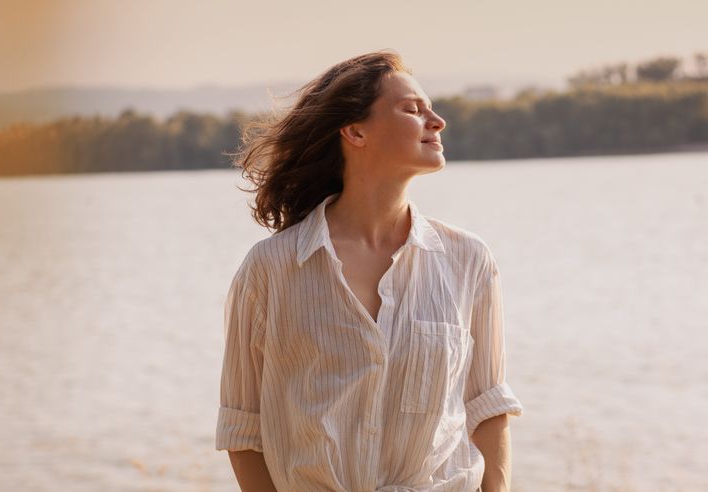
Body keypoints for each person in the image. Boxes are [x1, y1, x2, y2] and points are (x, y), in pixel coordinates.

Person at [215, 50, 524, 492]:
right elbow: (243, 428)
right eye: (413, 109)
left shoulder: (468, 259)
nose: (437, 122)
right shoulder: (271, 270)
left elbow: (487, 405)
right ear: (355, 130)